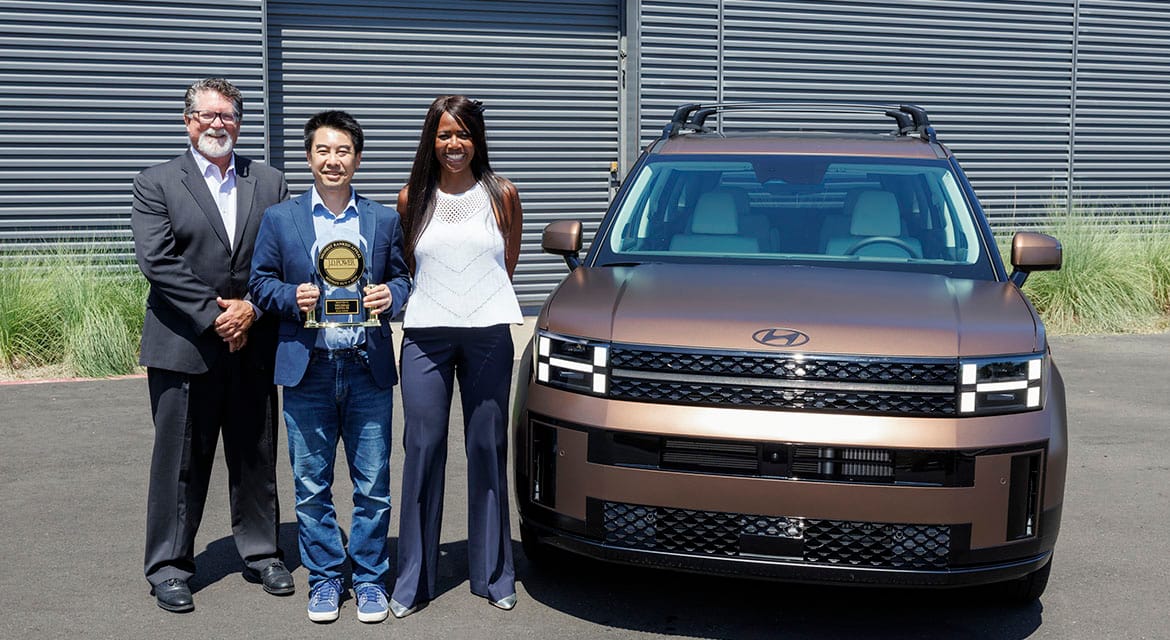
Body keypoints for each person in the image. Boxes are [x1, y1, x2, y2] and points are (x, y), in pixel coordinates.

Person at [131, 77, 293, 613]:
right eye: (207, 114)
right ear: (188, 121)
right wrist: (217, 316)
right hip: (184, 345)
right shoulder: (156, 182)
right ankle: (170, 566)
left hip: (252, 342)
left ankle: (263, 552)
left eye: (227, 115)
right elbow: (158, 261)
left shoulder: (269, 181)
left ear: (240, 124)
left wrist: (253, 310)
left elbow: (285, 258)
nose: (217, 124)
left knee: (255, 453)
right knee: (179, 461)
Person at [249, 110, 412, 623]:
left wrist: (392, 295)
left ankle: (368, 578)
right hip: (309, 368)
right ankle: (324, 578)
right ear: (309, 157)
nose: (333, 160)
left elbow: (404, 278)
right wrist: (290, 297)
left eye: (343, 151)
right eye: (323, 150)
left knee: (373, 486)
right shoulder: (282, 218)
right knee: (311, 486)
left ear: (357, 159)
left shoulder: (382, 219)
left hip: (366, 366)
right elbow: (260, 282)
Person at [390, 95, 524, 617]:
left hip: (488, 334)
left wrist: (478, 306)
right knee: (423, 446)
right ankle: (413, 580)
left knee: (487, 447)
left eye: (463, 134)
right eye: (444, 134)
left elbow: (506, 263)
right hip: (425, 337)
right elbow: (410, 266)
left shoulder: (502, 194)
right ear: (431, 139)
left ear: (477, 139)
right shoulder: (412, 198)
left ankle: (493, 573)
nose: (454, 144)